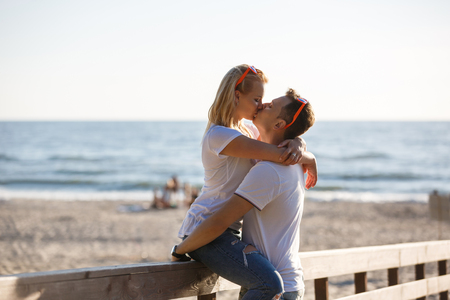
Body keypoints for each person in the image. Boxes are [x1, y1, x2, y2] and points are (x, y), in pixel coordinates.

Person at [171, 64, 317, 300]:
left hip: (227, 232)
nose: (261, 105)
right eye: (257, 99)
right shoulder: (220, 135)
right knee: (268, 283)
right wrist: (307, 155)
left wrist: (299, 144)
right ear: (237, 95)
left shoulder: (247, 130)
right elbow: (280, 154)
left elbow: (278, 141)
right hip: (207, 227)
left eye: (264, 100)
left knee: (263, 283)